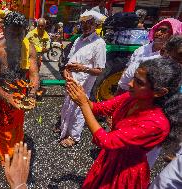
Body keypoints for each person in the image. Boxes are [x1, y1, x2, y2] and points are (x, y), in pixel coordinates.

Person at [66, 58, 181, 189]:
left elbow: (106, 140)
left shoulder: (157, 123)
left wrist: (82, 104)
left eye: (139, 82)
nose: (130, 84)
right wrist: (79, 93)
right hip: (110, 159)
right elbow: (99, 108)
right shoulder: (131, 97)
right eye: (134, 78)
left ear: (159, 92)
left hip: (125, 172)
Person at [116, 18, 182, 168]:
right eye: (158, 29)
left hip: (154, 124)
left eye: (165, 31)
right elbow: (127, 81)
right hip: (135, 109)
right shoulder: (146, 57)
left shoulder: (171, 75)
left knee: (141, 159)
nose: (159, 33)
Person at [0, 12, 39, 165]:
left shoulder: (29, 48)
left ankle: (15, 149)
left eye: (20, 35)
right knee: (3, 128)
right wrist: (8, 97)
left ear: (25, 31)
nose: (16, 40)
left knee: (17, 125)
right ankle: (4, 155)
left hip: (21, 93)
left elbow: (34, 75)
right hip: (1, 95)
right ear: (4, 29)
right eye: (12, 35)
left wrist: (32, 94)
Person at [58, 10, 106, 147]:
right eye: (83, 23)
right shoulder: (79, 39)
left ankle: (74, 136)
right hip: (71, 81)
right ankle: (64, 130)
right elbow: (70, 60)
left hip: (84, 84)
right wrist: (67, 70)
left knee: (78, 109)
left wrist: (82, 68)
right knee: (67, 105)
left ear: (95, 25)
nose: (85, 26)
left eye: (89, 23)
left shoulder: (99, 43)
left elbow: (99, 70)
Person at [117, 18, 182, 94]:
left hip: (142, 96)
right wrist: (121, 85)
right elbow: (128, 68)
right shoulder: (141, 49)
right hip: (123, 89)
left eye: (163, 31)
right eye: (157, 29)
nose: (158, 33)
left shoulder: (170, 57)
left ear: (174, 34)